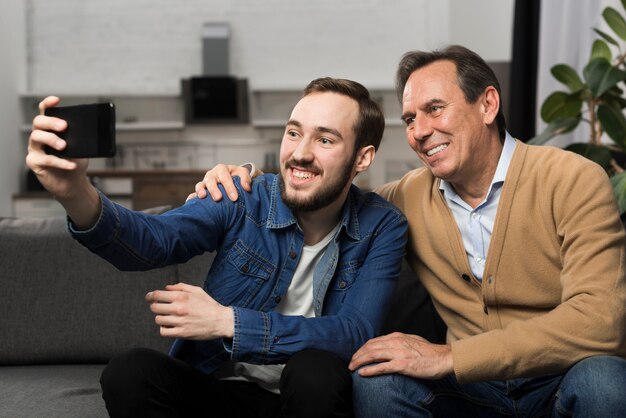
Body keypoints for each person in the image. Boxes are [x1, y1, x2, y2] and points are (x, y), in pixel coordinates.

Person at [193, 45, 626, 417]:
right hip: (472, 390)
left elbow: (599, 322)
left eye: (434, 109)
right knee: (379, 378)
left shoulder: (573, 179)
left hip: (558, 378)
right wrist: (249, 183)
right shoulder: (403, 200)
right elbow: (327, 193)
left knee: (605, 380)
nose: (419, 132)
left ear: (488, 105)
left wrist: (451, 356)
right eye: (410, 118)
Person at [26, 77, 408, 417]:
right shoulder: (244, 196)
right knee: (130, 371)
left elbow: (355, 333)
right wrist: (75, 192)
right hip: (218, 391)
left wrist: (229, 322)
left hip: (309, 396)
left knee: (314, 370)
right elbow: (154, 240)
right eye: (293, 133)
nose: (300, 153)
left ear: (363, 157)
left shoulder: (382, 225)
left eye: (325, 139)